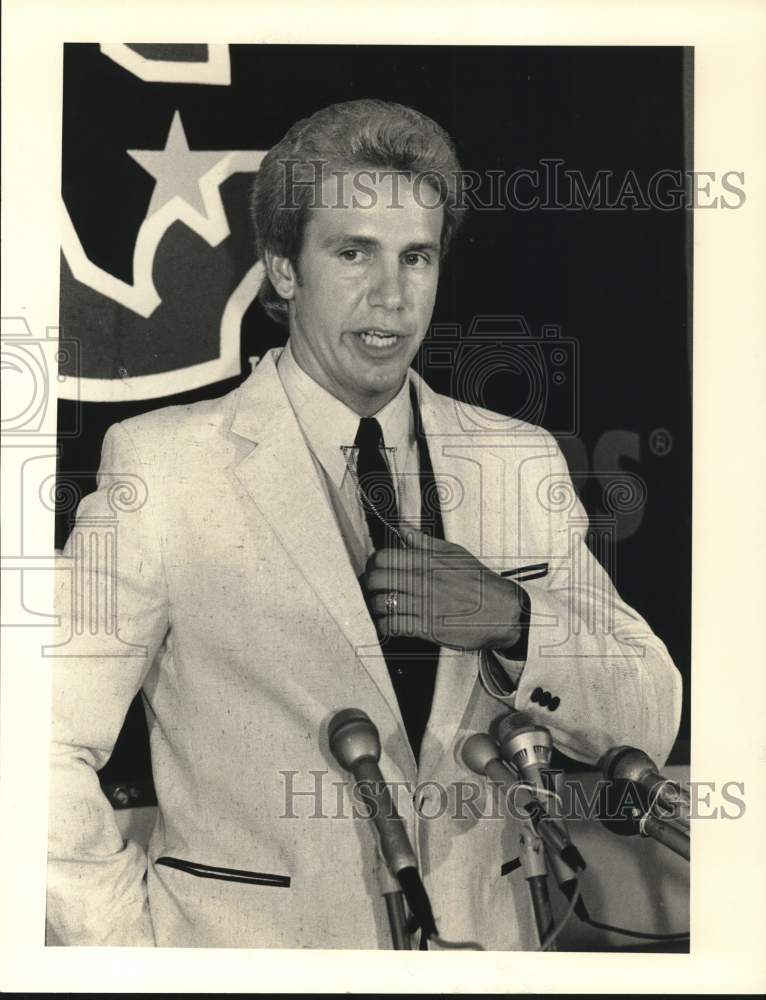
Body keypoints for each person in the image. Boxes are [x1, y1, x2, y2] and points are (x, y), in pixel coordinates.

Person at [47, 98, 682, 949]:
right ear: (281, 267)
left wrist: (513, 621)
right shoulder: (161, 467)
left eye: (416, 257)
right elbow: (33, 742)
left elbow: (648, 716)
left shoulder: (517, 458)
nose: (391, 296)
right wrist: (131, 955)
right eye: (354, 253)